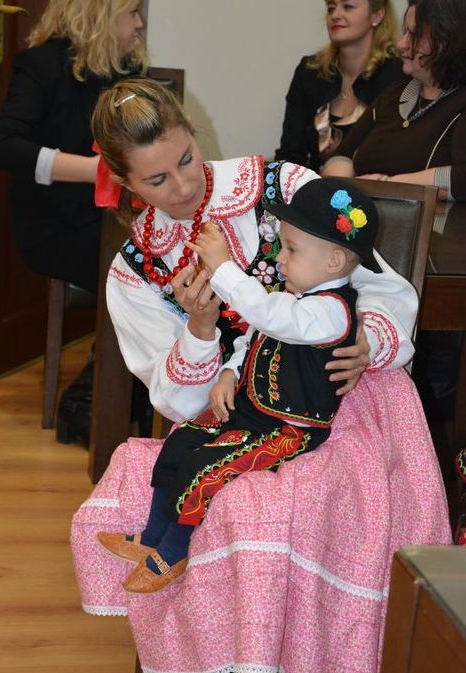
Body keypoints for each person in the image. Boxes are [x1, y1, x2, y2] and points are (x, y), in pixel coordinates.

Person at [71, 78, 451, 673]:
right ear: (124, 182)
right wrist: (200, 331)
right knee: (215, 485)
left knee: (275, 504)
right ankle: (238, 653)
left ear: (193, 133)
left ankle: (312, 654)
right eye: (157, 180)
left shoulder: (281, 188)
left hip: (345, 402)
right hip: (236, 411)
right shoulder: (137, 271)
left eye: (186, 159)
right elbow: (176, 402)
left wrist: (367, 341)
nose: (184, 186)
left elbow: (383, 288)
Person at [97, 178, 381, 594]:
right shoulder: (295, 295)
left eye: (291, 249)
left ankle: (174, 552)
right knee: (182, 441)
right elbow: (254, 336)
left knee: (205, 465)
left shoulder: (331, 313)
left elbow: (269, 317)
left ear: (334, 260)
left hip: (287, 428)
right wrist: (231, 371)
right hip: (251, 410)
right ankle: (152, 535)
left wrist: (223, 267)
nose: (279, 257)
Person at [0, 0, 152, 446]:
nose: (139, 23)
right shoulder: (41, 65)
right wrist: (95, 171)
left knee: (158, 263)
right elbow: (2, 146)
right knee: (141, 273)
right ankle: (92, 401)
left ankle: (121, 399)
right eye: (131, 12)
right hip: (53, 225)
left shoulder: (126, 71)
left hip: (109, 222)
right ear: (100, 14)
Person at [322, 0, 466, 202]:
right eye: (405, 32)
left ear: (447, 41)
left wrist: (385, 184)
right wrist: (336, 191)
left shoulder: (460, 102)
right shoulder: (395, 93)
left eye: (413, 34)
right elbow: (342, 155)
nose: (401, 44)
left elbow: (461, 179)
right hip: (357, 213)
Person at [275, 0, 403, 172]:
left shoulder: (398, 73)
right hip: (315, 186)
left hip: (375, 187)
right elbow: (290, 154)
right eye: (331, 8)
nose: (335, 15)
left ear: (377, 15)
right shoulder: (310, 71)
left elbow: (399, 155)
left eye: (348, 6)